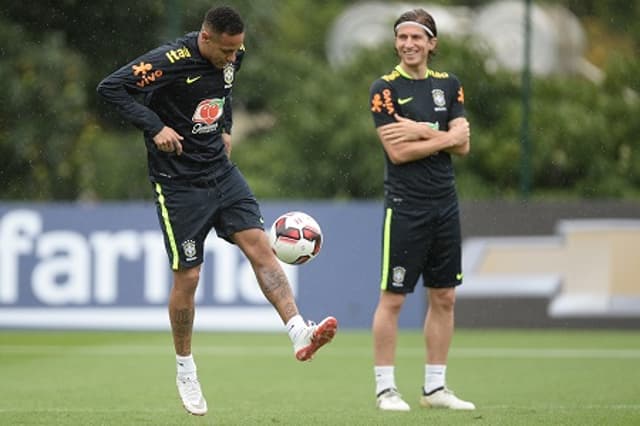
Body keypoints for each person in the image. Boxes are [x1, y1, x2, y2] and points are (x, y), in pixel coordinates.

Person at [97, 5, 337, 417]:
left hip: (221, 174)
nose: (233, 57)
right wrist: (155, 127)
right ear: (205, 38)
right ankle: (185, 368)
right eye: (226, 50)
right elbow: (110, 88)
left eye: (237, 49)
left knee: (261, 247)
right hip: (178, 186)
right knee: (188, 275)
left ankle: (299, 332)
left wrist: (225, 128)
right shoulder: (169, 61)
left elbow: (223, 91)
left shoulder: (232, 56)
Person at [368, 8, 475, 411]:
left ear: (432, 43)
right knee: (393, 298)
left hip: (445, 203)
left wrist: (421, 130)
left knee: (444, 296)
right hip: (406, 206)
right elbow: (397, 152)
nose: (409, 44)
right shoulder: (385, 88)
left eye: (417, 38)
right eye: (403, 38)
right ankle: (385, 389)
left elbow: (464, 145)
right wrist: (441, 134)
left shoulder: (449, 85)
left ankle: (435, 389)